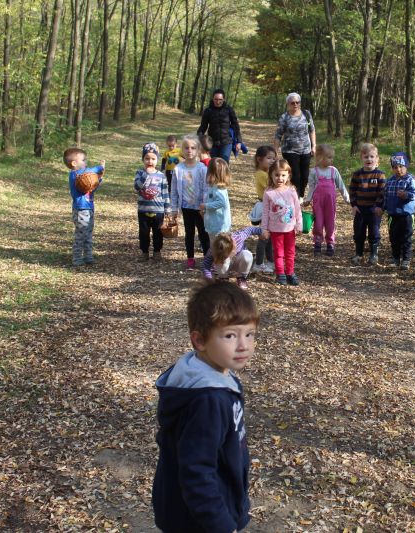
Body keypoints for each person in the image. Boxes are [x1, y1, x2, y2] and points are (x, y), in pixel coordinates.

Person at [152, 280, 258, 533]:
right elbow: (197, 472)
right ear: (199, 340)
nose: (243, 345)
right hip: (199, 520)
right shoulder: (208, 399)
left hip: (202, 505)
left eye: (250, 334)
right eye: (230, 335)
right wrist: (221, 526)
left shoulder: (200, 370)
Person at [171, 134, 210, 269]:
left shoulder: (202, 169)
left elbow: (206, 188)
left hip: (200, 207)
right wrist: (174, 209)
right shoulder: (178, 169)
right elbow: (174, 190)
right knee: (189, 233)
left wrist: (204, 205)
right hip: (186, 206)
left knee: (203, 233)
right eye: (186, 148)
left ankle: (207, 258)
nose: (189, 151)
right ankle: (190, 258)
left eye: (193, 148)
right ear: (182, 149)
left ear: (198, 149)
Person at [303, 144, 349, 256]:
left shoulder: (334, 171)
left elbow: (341, 185)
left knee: (330, 222)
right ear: (319, 158)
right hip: (318, 202)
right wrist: (308, 199)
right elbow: (312, 187)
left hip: (330, 202)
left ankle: (330, 242)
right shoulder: (314, 172)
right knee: (318, 222)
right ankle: (317, 242)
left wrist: (347, 199)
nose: (331, 160)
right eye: (329, 157)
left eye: (332, 157)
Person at [261, 160, 303, 286]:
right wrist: (264, 229)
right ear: (271, 176)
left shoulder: (291, 190)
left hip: (290, 228)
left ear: (288, 176)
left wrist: (299, 224)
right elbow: (265, 212)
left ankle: (290, 273)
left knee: (290, 252)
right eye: (277, 175)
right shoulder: (269, 193)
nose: (280, 178)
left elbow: (297, 208)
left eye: (283, 175)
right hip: (275, 229)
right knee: (278, 253)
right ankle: (280, 274)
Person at [64, 147, 105, 266]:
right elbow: (89, 171)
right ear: (74, 163)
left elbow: (91, 189)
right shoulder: (75, 174)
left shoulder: (84, 177)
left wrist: (99, 179)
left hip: (89, 208)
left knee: (88, 233)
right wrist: (99, 167)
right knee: (81, 234)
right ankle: (77, 258)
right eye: (83, 160)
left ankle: (88, 256)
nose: (86, 163)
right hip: (80, 209)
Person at [349, 143, 386, 265]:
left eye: (372, 156)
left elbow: (382, 192)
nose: (369, 159)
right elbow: (352, 191)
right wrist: (354, 205)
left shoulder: (380, 175)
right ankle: (358, 254)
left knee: (374, 233)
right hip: (360, 210)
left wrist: (379, 206)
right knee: (359, 232)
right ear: (362, 158)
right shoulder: (357, 174)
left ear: (377, 159)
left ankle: (373, 254)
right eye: (366, 157)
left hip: (374, 211)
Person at [273, 92, 316, 200]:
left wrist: (314, 145)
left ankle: (300, 194)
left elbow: (312, 130)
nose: (295, 104)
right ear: (288, 104)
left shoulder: (306, 114)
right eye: (292, 103)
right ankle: (296, 197)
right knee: (296, 175)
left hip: (306, 149)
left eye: (297, 102)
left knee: (305, 176)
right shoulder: (284, 117)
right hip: (290, 150)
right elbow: (278, 135)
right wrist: (276, 150)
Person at [134, 142, 171, 261]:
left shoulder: (161, 175)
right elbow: (137, 187)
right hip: (143, 209)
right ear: (143, 159)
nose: (150, 161)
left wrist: (168, 209)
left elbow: (165, 193)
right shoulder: (140, 173)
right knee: (144, 233)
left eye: (153, 159)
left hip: (158, 210)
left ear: (157, 160)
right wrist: (145, 176)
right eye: (147, 158)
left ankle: (157, 251)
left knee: (158, 233)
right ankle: (144, 252)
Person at [383, 152, 415, 270]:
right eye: (395, 167)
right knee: (394, 237)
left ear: (406, 166)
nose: (398, 169)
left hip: (406, 214)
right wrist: (382, 207)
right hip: (393, 214)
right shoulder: (390, 181)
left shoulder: (410, 179)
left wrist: (406, 195)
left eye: (401, 166)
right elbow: (385, 196)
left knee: (406, 237)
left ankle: (406, 259)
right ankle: (395, 258)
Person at [250, 146, 276, 274]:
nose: (272, 161)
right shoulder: (261, 174)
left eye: (274, 158)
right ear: (259, 159)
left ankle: (270, 260)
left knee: (269, 236)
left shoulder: (266, 173)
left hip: (270, 207)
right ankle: (259, 263)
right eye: (269, 158)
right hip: (264, 207)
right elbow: (272, 187)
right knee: (264, 236)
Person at [197, 89, 242, 163]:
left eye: (220, 99)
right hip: (212, 142)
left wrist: (239, 141)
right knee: (214, 164)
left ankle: (224, 175)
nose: (218, 102)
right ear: (213, 99)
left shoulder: (229, 110)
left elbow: (235, 126)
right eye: (216, 99)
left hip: (226, 142)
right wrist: (198, 139)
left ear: (224, 99)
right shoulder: (208, 111)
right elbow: (203, 126)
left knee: (224, 162)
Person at [203, 158, 232, 243]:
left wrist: (206, 206)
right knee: (217, 247)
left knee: (219, 248)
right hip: (215, 224)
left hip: (219, 227)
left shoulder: (219, 189)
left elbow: (221, 202)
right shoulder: (214, 187)